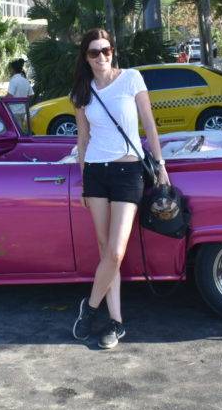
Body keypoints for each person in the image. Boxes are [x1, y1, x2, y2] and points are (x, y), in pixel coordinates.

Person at [70, 28, 169, 349]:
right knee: (104, 251)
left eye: (106, 50)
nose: (102, 57)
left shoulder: (131, 79)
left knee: (115, 252)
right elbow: (82, 140)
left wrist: (162, 165)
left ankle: (91, 307)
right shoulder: (81, 92)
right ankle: (116, 322)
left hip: (129, 172)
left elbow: (149, 123)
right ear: (85, 58)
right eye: (94, 52)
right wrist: (85, 181)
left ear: (114, 51)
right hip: (97, 173)